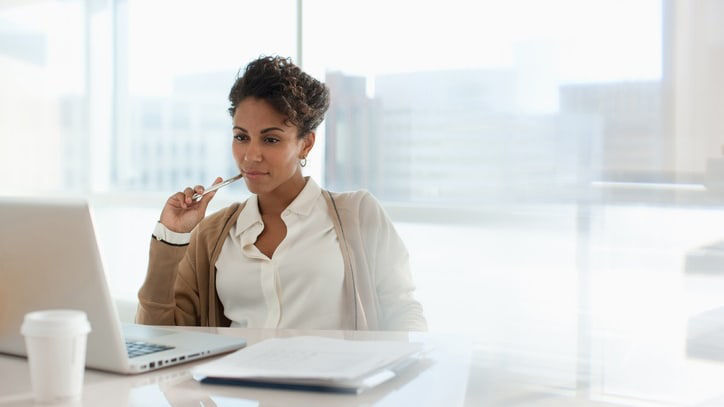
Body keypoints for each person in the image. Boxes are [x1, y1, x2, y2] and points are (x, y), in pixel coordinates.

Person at [136, 56, 426, 331]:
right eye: (241, 137)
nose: (250, 156)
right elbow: (159, 337)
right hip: (233, 383)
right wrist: (172, 236)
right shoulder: (213, 235)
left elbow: (403, 312)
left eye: (271, 139)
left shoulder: (359, 214)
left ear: (305, 144)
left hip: (331, 382)